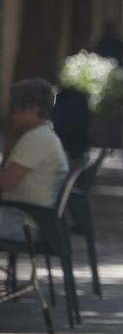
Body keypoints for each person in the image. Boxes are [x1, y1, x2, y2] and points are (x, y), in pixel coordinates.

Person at [0, 79, 69, 241]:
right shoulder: (41, 136)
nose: (10, 116)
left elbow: (5, 183)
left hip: (24, 222)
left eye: (14, 110)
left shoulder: (37, 139)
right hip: (23, 217)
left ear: (34, 109)